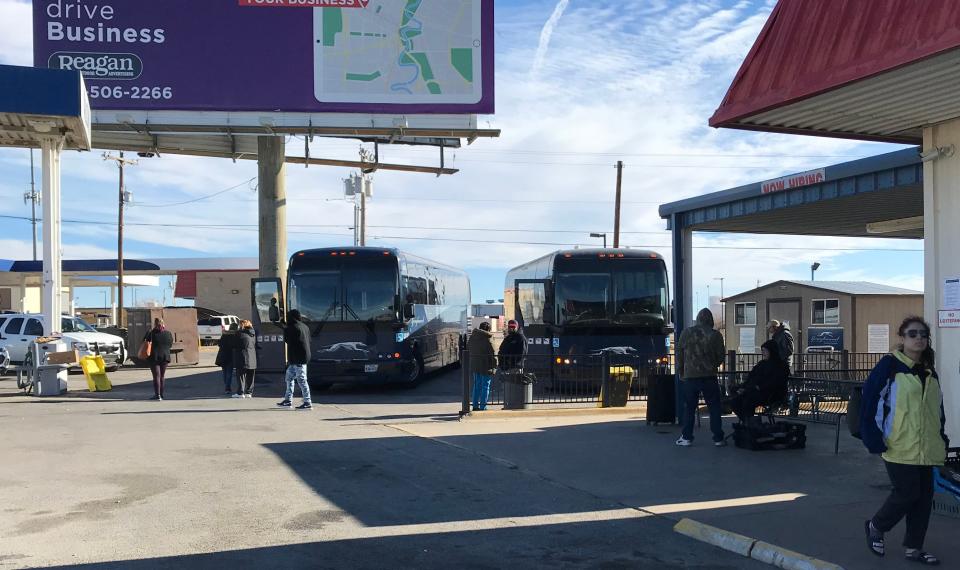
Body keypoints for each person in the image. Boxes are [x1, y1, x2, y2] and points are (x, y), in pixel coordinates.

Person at [860, 316, 949, 565]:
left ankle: (914, 548)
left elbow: (937, 411)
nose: (919, 338)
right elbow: (869, 403)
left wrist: (942, 438)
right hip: (898, 444)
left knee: (923, 499)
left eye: (923, 334)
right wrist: (873, 438)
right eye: (913, 334)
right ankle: (877, 526)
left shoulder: (930, 371)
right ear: (902, 338)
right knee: (907, 493)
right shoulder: (889, 366)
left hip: (927, 446)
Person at [675, 308, 727, 447]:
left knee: (689, 408)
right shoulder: (715, 335)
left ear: (698, 318)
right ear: (710, 320)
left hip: (690, 377)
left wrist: (681, 371)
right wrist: (712, 365)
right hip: (709, 376)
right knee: (714, 407)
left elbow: (680, 354)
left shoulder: (686, 333)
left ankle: (686, 437)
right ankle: (718, 438)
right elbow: (721, 356)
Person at [726, 340, 789, 424]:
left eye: (765, 351)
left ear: (772, 351)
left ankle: (751, 424)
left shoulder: (781, 366)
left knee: (748, 401)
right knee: (734, 401)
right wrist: (743, 387)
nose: (763, 353)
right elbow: (751, 378)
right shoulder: (761, 364)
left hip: (770, 394)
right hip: (754, 391)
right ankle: (748, 423)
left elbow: (776, 382)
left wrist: (758, 387)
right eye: (762, 351)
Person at [277, 309, 312, 410]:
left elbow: (288, 340)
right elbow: (309, 339)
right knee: (289, 377)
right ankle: (288, 400)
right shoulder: (305, 326)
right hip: (302, 357)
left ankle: (307, 402)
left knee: (301, 380)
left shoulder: (292, 328)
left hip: (298, 358)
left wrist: (285, 328)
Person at [468, 321, 497, 411]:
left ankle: (475, 406)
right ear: (489, 329)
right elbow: (493, 354)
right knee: (485, 386)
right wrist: (495, 366)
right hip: (486, 365)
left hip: (475, 365)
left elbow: (468, 348)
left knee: (476, 386)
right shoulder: (489, 338)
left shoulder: (473, 337)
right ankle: (483, 406)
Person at [144, 318, 173, 401]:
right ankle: (162, 395)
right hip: (165, 357)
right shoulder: (168, 333)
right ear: (163, 324)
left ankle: (157, 395)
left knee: (156, 376)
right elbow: (170, 344)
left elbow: (145, 342)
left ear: (155, 324)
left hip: (154, 357)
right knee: (162, 376)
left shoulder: (151, 333)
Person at [232, 320, 258, 399]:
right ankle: (249, 392)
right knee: (251, 375)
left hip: (242, 357)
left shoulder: (239, 333)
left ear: (242, 325)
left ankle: (240, 393)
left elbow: (234, 344)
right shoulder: (253, 334)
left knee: (241, 375)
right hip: (252, 357)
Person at [215, 323, 239, 396]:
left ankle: (227, 386)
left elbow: (219, 344)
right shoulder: (235, 335)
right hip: (230, 356)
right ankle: (227, 388)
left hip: (222, 356)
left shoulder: (224, 334)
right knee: (229, 373)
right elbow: (235, 345)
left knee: (225, 372)